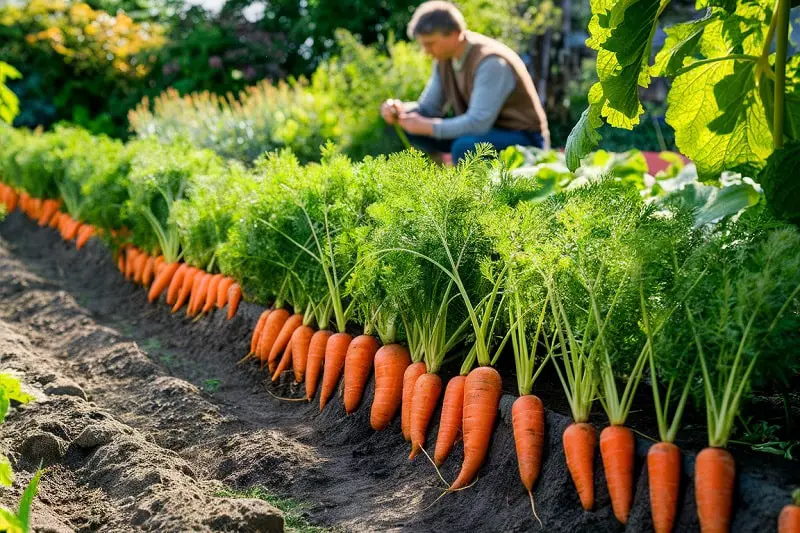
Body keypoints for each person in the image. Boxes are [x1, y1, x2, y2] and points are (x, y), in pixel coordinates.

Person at [381, 1, 549, 165]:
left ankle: (469, 191)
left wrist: (427, 126)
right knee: (413, 130)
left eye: (430, 44)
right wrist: (401, 111)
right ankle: (437, 183)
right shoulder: (444, 60)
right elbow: (428, 110)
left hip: (524, 138)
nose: (426, 51)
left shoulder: (491, 62)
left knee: (465, 147)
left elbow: (478, 124)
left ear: (454, 34)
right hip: (483, 133)